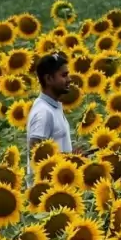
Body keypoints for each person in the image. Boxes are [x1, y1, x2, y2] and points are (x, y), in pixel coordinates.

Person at [26, 51, 75, 183]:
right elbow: (36, 153)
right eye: (64, 75)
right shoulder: (43, 112)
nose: (69, 79)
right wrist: (67, 159)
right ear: (48, 79)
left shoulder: (53, 107)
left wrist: (72, 157)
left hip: (58, 188)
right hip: (47, 193)